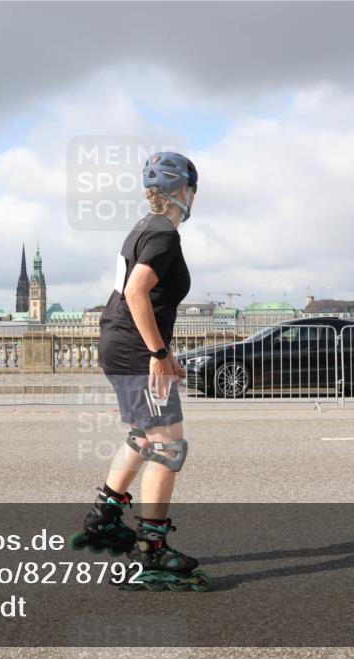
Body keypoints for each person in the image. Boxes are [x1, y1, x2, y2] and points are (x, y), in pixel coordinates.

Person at [70, 151, 210, 592]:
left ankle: (106, 516)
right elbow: (136, 292)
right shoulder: (164, 233)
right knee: (170, 447)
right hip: (135, 348)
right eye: (192, 189)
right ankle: (151, 548)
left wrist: (157, 352)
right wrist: (158, 352)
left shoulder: (142, 228)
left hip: (118, 343)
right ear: (183, 191)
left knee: (142, 437)